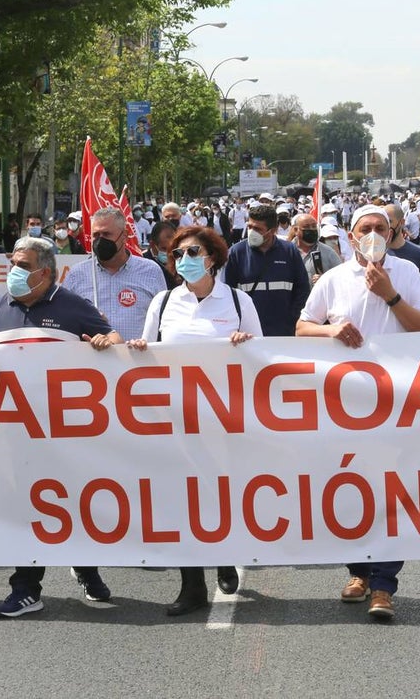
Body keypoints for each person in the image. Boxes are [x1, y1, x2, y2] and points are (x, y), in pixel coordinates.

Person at [0, 236, 122, 617]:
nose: (14, 271)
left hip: (66, 433)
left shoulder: (71, 305)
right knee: (29, 509)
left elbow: (113, 336)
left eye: (24, 266)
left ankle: (85, 566)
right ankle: (26, 588)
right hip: (15, 434)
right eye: (13, 263)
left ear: (45, 273)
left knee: (72, 503)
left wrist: (104, 341)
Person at [296, 205, 420, 620]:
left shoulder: (406, 272)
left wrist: (390, 295)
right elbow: (302, 327)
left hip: (396, 401)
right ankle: (358, 572)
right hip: (345, 404)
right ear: (350, 235)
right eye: (365, 228)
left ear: (391, 233)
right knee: (350, 488)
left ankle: (384, 585)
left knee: (391, 491)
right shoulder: (334, 279)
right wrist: (330, 329)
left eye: (380, 228)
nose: (372, 234)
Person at [126, 226, 262, 616]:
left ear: (212, 257)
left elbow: (261, 355)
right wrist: (138, 348)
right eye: (178, 253)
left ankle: (225, 556)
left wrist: (245, 345)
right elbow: (147, 349)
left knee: (220, 492)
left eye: (193, 252)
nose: (184, 259)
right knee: (182, 498)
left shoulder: (237, 301)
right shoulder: (164, 302)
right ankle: (191, 586)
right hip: (175, 419)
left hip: (223, 419)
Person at [63, 208, 167, 341]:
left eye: (106, 234)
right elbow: (64, 319)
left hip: (139, 353)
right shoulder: (76, 275)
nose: (100, 240)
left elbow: (164, 319)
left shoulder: (151, 271)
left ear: (124, 235)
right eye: (96, 235)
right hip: (91, 353)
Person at [224, 204, 311, 337]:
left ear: (273, 230)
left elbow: (302, 289)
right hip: (248, 333)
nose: (251, 232)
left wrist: (292, 318)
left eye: (257, 229)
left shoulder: (289, 251)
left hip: (284, 332)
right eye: (250, 227)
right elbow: (228, 292)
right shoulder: (236, 253)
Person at [384, 203, 420, 307]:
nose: (386, 227)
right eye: (383, 222)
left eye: (389, 222)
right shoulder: (375, 254)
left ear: (401, 222)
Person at [289, 212, 343, 286]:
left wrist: (325, 280)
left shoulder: (328, 252)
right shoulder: (286, 251)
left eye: (314, 226)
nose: (311, 229)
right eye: (306, 227)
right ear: (296, 230)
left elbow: (342, 277)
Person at [142, 221, 180, 289]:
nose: (169, 254)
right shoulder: (142, 262)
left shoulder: (180, 258)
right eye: (164, 249)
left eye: (172, 248)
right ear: (152, 245)